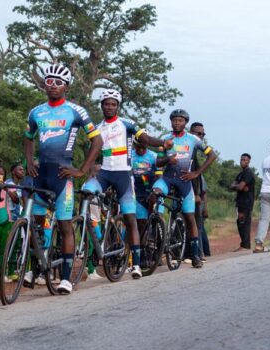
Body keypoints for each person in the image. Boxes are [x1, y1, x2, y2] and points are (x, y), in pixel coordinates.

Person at [24, 63, 103, 294]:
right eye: (49, 82)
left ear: (66, 86)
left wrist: (80, 170)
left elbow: (97, 141)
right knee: (36, 226)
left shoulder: (76, 111)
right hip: (41, 175)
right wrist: (29, 162)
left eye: (58, 83)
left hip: (63, 175)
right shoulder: (36, 112)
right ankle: (35, 268)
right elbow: (28, 138)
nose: (53, 86)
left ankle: (66, 278)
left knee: (64, 225)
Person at [84, 89, 168, 278]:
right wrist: (89, 173)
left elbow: (146, 139)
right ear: (102, 105)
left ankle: (136, 264)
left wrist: (163, 142)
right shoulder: (97, 127)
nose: (109, 107)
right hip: (104, 173)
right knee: (86, 192)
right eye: (106, 103)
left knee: (131, 220)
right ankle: (92, 242)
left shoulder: (126, 124)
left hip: (123, 175)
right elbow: (93, 153)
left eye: (113, 104)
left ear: (118, 107)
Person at [153, 109, 217, 268]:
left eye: (180, 121)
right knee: (155, 193)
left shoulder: (193, 139)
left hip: (185, 181)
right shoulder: (165, 139)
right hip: (167, 179)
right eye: (174, 120)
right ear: (171, 122)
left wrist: (196, 172)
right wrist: (168, 159)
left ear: (185, 123)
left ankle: (195, 255)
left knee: (190, 217)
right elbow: (158, 162)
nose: (177, 123)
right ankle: (156, 232)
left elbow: (212, 155)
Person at [189, 122, 211, 260]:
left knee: (197, 226)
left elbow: (204, 190)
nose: (201, 136)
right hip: (182, 192)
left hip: (195, 197)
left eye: (203, 134)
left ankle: (200, 253)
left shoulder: (196, 157)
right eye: (198, 133)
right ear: (191, 133)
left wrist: (199, 198)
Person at [132, 139, 161, 241]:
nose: (140, 150)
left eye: (143, 148)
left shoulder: (153, 156)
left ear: (148, 145)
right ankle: (141, 245)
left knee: (158, 217)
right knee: (141, 222)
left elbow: (159, 176)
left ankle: (159, 243)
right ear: (134, 145)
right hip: (137, 190)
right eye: (138, 147)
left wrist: (153, 189)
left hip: (151, 187)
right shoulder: (130, 156)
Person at [230, 153, 256, 250]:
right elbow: (232, 186)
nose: (242, 161)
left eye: (244, 160)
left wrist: (238, 186)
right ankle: (245, 244)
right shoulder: (240, 174)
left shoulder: (248, 173)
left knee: (244, 223)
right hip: (240, 201)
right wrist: (238, 187)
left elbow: (239, 187)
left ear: (248, 161)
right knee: (240, 222)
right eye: (241, 159)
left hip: (247, 201)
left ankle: (245, 245)